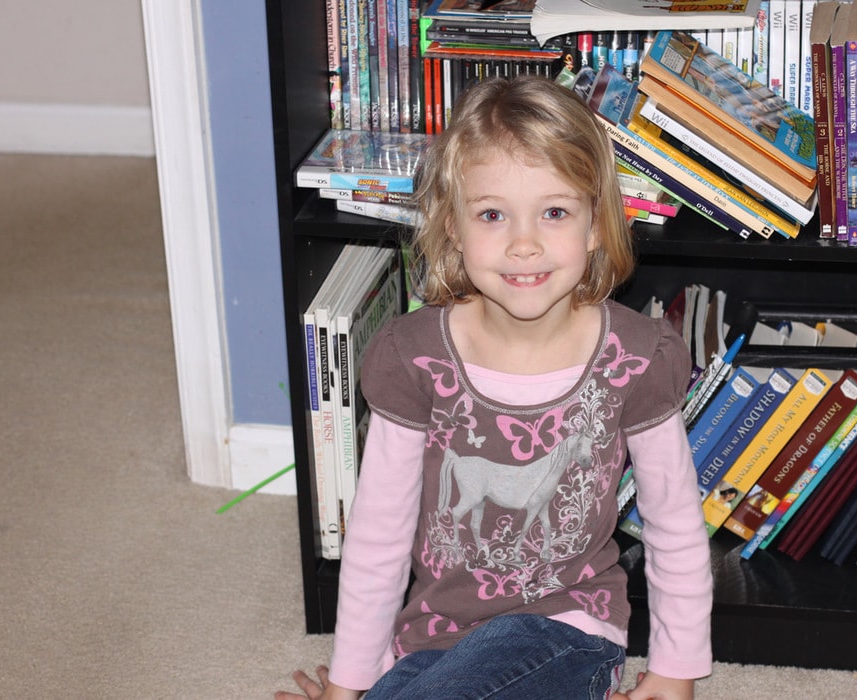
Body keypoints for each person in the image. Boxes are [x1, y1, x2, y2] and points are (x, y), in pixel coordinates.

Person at [276, 75, 712, 700]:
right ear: (452, 226)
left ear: (596, 224)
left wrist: (674, 671)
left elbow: (674, 521)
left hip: (566, 627)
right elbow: (379, 534)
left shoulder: (638, 357)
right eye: (491, 214)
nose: (524, 244)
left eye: (555, 212)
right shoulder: (413, 356)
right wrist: (351, 683)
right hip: (434, 638)